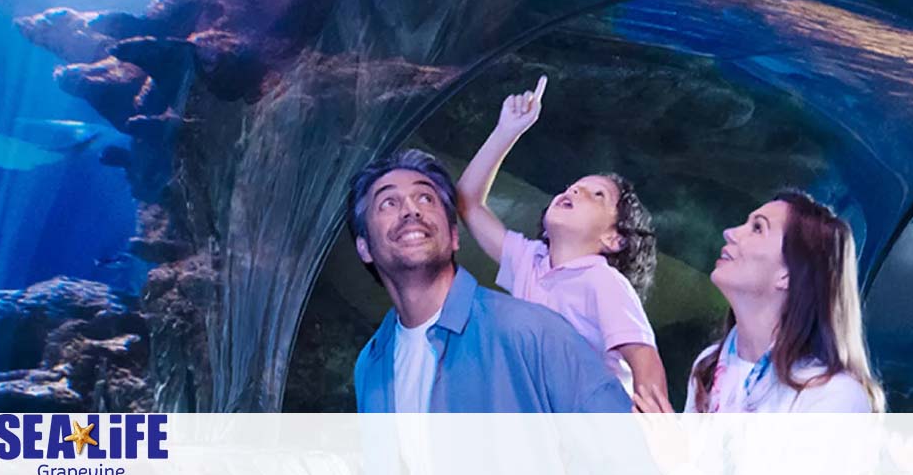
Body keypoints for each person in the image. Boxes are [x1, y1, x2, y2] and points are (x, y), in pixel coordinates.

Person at [347, 148, 632, 413]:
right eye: (388, 203)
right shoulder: (370, 366)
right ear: (364, 248)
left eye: (425, 198)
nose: (411, 210)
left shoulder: (533, 332)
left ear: (455, 235)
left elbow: (621, 452)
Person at [456, 76, 669, 408]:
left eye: (596, 195)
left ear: (614, 238)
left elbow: (642, 355)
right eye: (572, 187)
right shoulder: (530, 261)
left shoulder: (603, 281)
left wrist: (653, 429)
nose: (574, 191)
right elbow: (467, 203)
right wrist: (506, 131)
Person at [635, 190, 885, 413]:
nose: (730, 233)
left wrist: (673, 457)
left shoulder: (834, 396)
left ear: (788, 274)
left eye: (757, 228)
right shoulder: (708, 366)